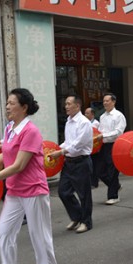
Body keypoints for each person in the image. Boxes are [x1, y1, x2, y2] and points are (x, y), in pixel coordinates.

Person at [0, 88, 58, 264]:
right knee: (4, 230)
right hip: (14, 190)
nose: (7, 107)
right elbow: (5, 153)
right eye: (7, 103)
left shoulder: (31, 131)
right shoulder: (10, 127)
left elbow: (18, 165)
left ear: (24, 107)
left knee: (38, 232)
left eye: (11, 103)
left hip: (34, 189)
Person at [50, 95, 93, 233]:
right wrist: (55, 149)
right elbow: (69, 142)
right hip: (69, 162)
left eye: (69, 104)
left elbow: (78, 144)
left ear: (77, 106)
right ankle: (76, 216)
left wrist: (61, 152)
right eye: (66, 104)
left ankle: (86, 222)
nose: (66, 106)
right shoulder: (69, 121)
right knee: (63, 192)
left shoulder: (84, 123)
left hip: (81, 162)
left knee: (84, 194)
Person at [95, 93, 127, 204]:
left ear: (113, 102)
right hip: (103, 145)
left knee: (112, 170)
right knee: (99, 170)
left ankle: (113, 196)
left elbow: (118, 132)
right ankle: (116, 186)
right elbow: (100, 131)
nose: (105, 103)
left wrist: (103, 136)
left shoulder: (118, 116)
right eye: (104, 101)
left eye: (107, 101)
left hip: (115, 145)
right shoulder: (102, 116)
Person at [84, 107, 100, 188]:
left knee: (94, 165)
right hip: (88, 147)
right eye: (85, 113)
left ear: (92, 114)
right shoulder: (85, 122)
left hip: (95, 147)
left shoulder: (95, 123)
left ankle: (94, 182)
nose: (85, 115)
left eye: (87, 113)